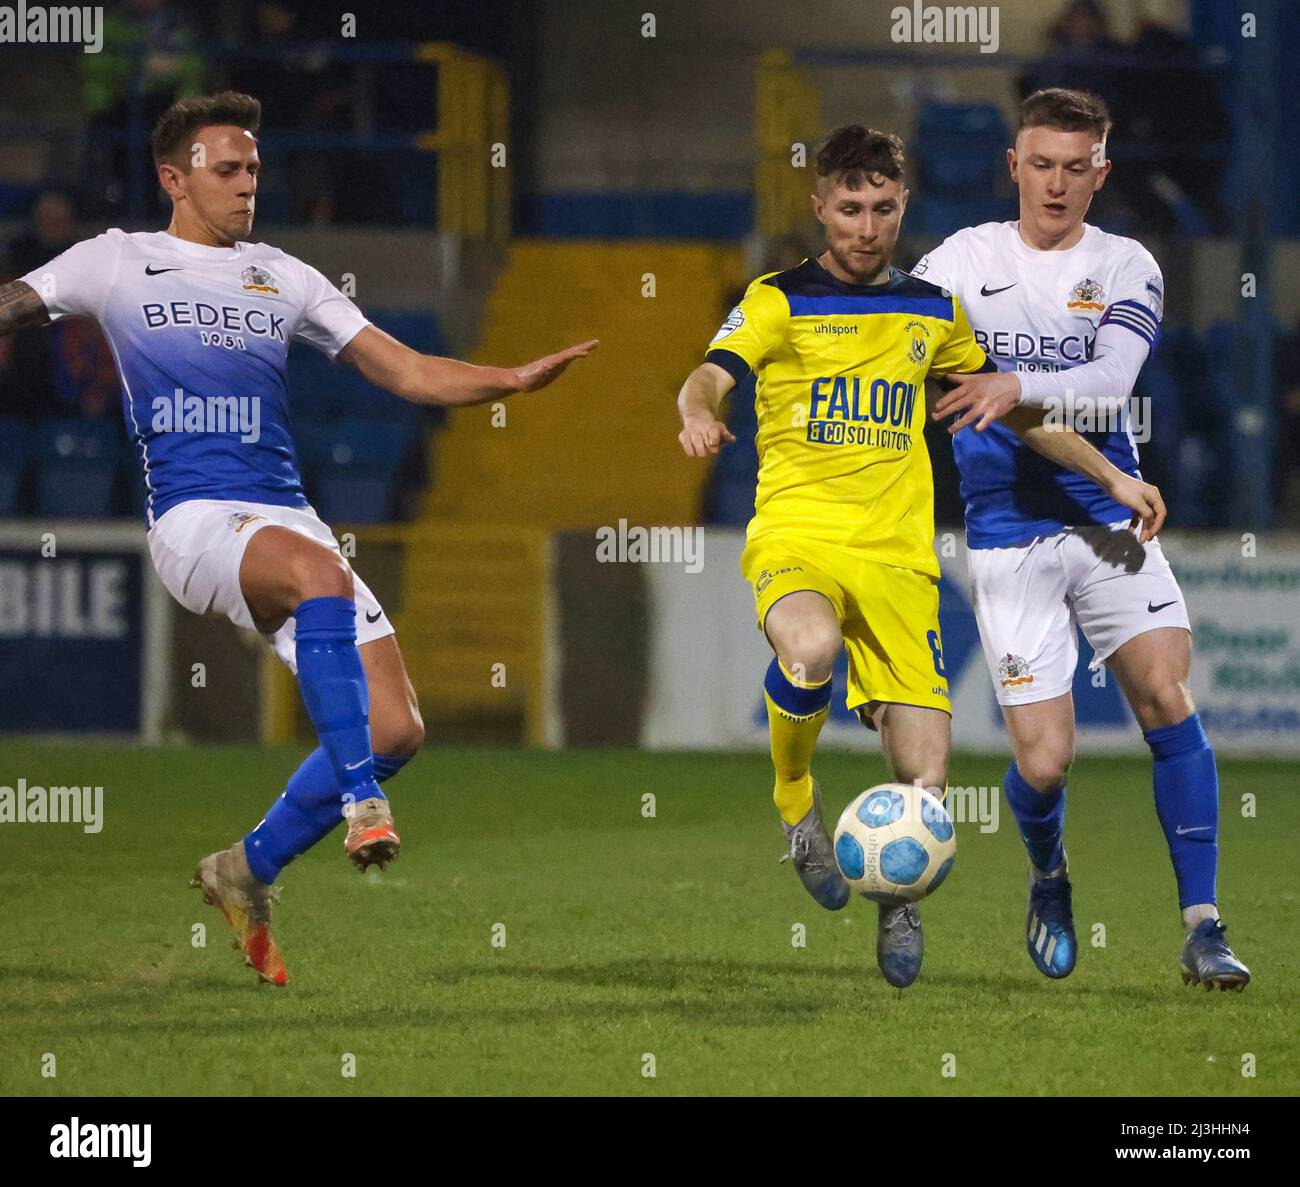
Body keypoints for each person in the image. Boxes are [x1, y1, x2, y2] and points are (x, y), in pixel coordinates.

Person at [0, 92, 596, 985]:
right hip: (195, 521)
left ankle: (245, 867)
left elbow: (404, 368)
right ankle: (361, 801)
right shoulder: (116, 262)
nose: (247, 185)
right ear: (174, 177)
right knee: (322, 585)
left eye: (254, 170)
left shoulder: (283, 274)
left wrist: (508, 376)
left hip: (286, 518)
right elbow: (14, 303)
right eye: (227, 169)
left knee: (397, 725)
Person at [674, 125, 1163, 988]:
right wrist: (696, 412)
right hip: (800, 535)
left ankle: (895, 897)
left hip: (900, 561)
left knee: (927, 780)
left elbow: (1019, 414)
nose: (867, 226)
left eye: (884, 208)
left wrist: (1112, 478)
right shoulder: (777, 299)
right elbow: (709, 374)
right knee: (811, 649)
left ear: (903, 207)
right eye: (851, 208)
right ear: (820, 206)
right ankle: (797, 803)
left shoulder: (933, 312)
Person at [917, 87, 1249, 991]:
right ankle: (1049, 874)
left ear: (1100, 173)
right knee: (1046, 761)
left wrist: (1007, 382)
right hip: (1007, 531)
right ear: (1012, 166)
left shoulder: (1128, 262)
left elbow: (1107, 386)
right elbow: (890, 338)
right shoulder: (960, 261)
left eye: (1076, 167)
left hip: (1107, 522)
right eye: (1041, 164)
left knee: (1167, 694)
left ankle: (1204, 926)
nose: (1056, 185)